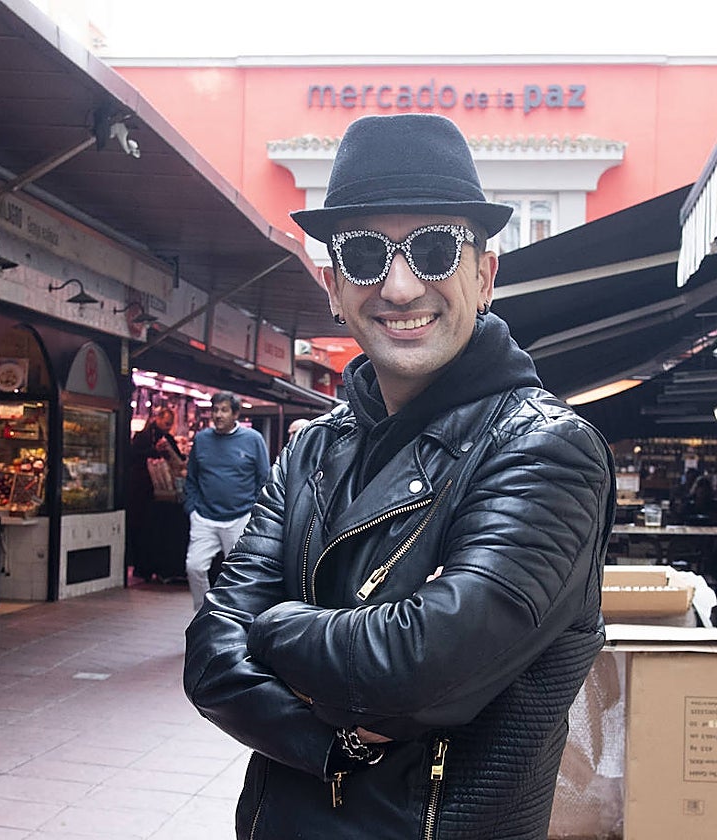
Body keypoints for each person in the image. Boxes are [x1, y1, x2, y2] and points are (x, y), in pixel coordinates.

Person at [183, 113, 616, 839]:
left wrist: (274, 626)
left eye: (435, 248)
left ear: (485, 275)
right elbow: (208, 657)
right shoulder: (310, 447)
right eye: (362, 255)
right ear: (333, 287)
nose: (401, 285)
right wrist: (335, 742)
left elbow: (419, 668)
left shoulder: (547, 449)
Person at [182, 391, 269, 610]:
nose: (218, 415)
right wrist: (192, 509)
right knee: (194, 566)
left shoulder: (253, 439)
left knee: (239, 572)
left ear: (235, 414)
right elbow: (191, 478)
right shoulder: (201, 440)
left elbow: (264, 479)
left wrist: (253, 512)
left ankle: (238, 614)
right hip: (204, 517)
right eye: (215, 410)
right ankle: (203, 614)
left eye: (224, 410)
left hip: (240, 517)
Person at [126, 407, 185, 581]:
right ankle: (142, 565)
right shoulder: (143, 437)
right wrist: (155, 452)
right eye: (166, 423)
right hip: (142, 490)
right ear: (158, 419)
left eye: (170, 424)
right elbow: (133, 456)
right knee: (142, 528)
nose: (168, 427)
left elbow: (178, 460)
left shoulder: (166, 438)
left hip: (159, 491)